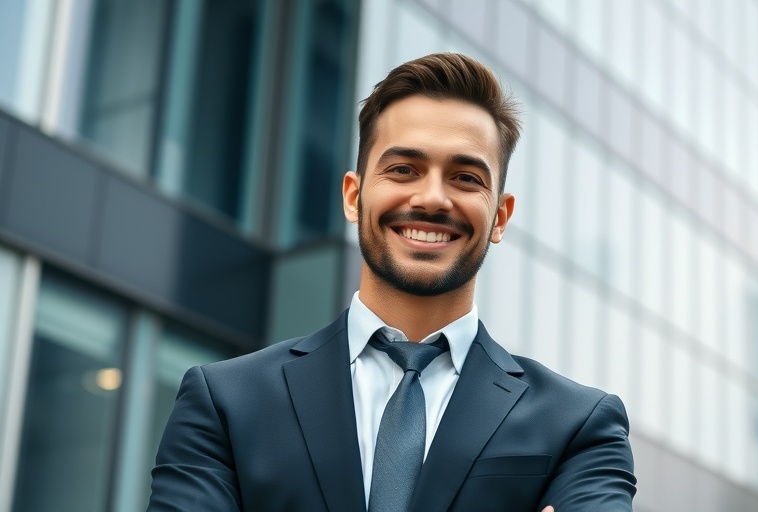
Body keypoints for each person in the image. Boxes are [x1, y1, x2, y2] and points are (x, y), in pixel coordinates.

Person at [149, 53, 636, 512]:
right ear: (353, 196)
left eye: (466, 178)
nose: (432, 198)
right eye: (404, 169)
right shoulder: (225, 404)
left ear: (501, 217)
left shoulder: (580, 426)